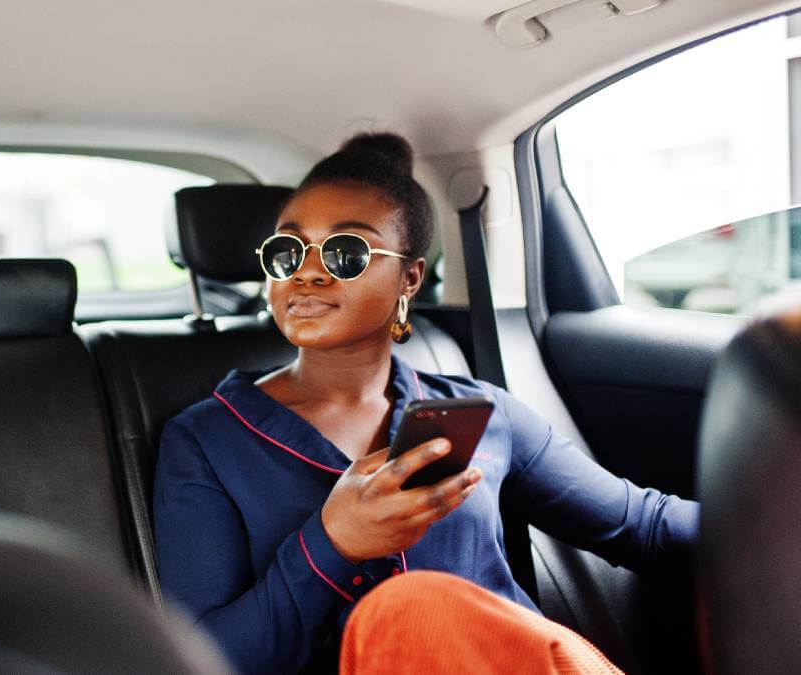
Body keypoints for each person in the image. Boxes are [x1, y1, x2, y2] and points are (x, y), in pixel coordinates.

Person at [152, 132, 698, 674]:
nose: (307, 271)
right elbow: (200, 661)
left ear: (409, 278)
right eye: (287, 250)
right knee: (407, 608)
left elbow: (644, 528)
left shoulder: (482, 412)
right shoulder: (205, 440)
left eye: (346, 252)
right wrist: (334, 542)